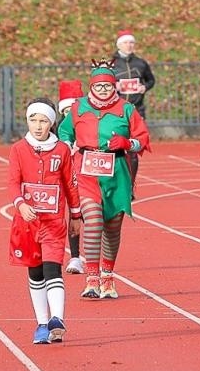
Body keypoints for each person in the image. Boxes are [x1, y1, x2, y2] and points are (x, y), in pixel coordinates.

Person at [57, 62, 150, 299]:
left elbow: (142, 138)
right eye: (98, 86)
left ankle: (108, 276)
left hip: (116, 170)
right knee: (94, 219)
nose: (103, 90)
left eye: (107, 86)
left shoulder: (127, 109)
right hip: (86, 170)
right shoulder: (79, 107)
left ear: (114, 87)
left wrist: (127, 143)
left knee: (113, 226)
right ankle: (92, 279)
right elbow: (64, 131)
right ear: (91, 86)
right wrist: (69, 145)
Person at [7, 101, 83, 345]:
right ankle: (41, 324)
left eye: (43, 121)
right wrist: (21, 204)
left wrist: (75, 214)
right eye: (33, 120)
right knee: (36, 273)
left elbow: (71, 184)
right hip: (27, 224)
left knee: (53, 269)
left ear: (51, 123)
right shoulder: (18, 149)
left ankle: (57, 320)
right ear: (27, 121)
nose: (38, 126)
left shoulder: (61, 150)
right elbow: (12, 182)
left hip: (53, 222)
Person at [110, 31, 155, 183]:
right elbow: (100, 83)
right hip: (116, 111)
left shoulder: (141, 63)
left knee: (133, 148)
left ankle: (130, 183)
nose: (129, 46)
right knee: (116, 147)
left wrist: (144, 87)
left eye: (131, 43)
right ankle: (117, 181)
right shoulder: (111, 64)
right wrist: (112, 86)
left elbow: (151, 80)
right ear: (119, 45)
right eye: (125, 43)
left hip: (137, 109)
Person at [56, 78, 86, 274]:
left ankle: (93, 254)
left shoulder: (89, 125)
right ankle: (75, 257)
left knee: (94, 215)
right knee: (74, 213)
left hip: (90, 173)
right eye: (66, 112)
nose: (70, 115)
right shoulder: (58, 130)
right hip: (69, 177)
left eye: (72, 110)